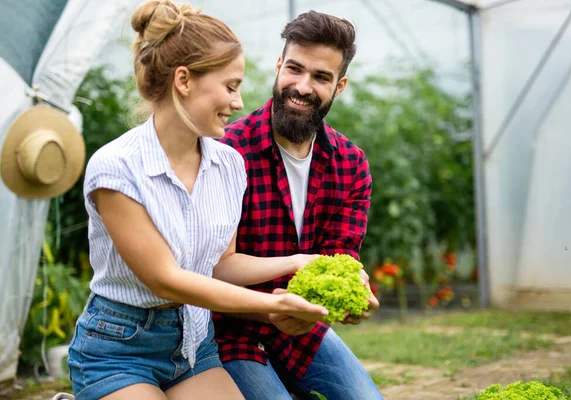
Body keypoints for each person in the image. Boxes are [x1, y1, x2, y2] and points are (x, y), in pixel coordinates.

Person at [66, 2, 330, 399]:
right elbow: (167, 279)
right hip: (118, 348)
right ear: (184, 80)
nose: (239, 103)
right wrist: (267, 307)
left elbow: (220, 265)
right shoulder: (117, 168)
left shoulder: (228, 164)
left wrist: (298, 261)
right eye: (230, 86)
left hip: (193, 345)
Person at [216, 10, 383, 400]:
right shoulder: (229, 150)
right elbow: (206, 271)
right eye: (295, 69)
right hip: (225, 330)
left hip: (303, 333)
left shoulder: (350, 163)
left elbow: (338, 258)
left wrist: (350, 292)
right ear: (278, 67)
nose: (303, 87)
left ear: (339, 86)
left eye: (321, 77)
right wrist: (267, 309)